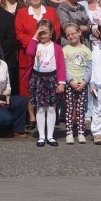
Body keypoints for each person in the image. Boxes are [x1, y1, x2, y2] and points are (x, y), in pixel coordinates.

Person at [14, 0, 61, 130]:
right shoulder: (22, 12)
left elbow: (57, 30)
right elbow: (18, 32)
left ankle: (49, 116)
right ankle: (31, 117)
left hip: (48, 55)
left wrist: (45, 44)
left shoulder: (51, 11)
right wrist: (34, 44)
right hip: (27, 55)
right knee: (27, 88)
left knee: (47, 86)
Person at [26, 19, 66, 147]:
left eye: (45, 32)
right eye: (40, 32)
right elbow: (29, 52)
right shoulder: (36, 45)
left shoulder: (57, 47)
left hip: (52, 79)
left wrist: (61, 83)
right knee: (40, 109)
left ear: (51, 33)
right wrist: (35, 36)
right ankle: (41, 136)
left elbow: (61, 66)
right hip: (38, 79)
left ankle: (50, 136)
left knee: (51, 108)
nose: (43, 35)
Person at [62, 23, 92, 144]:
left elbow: (89, 68)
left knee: (80, 109)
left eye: (73, 33)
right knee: (69, 109)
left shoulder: (86, 50)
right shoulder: (65, 50)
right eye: (68, 35)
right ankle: (69, 132)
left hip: (82, 84)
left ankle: (81, 132)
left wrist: (85, 82)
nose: (71, 36)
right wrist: (71, 81)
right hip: (70, 84)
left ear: (79, 32)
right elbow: (63, 68)